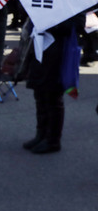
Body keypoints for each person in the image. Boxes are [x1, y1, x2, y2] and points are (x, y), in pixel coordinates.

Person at [22, 14, 84, 154]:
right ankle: (41, 134)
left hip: (59, 53)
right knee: (40, 94)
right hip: (39, 49)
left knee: (53, 97)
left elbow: (77, 25)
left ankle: (53, 140)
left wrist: (51, 23)